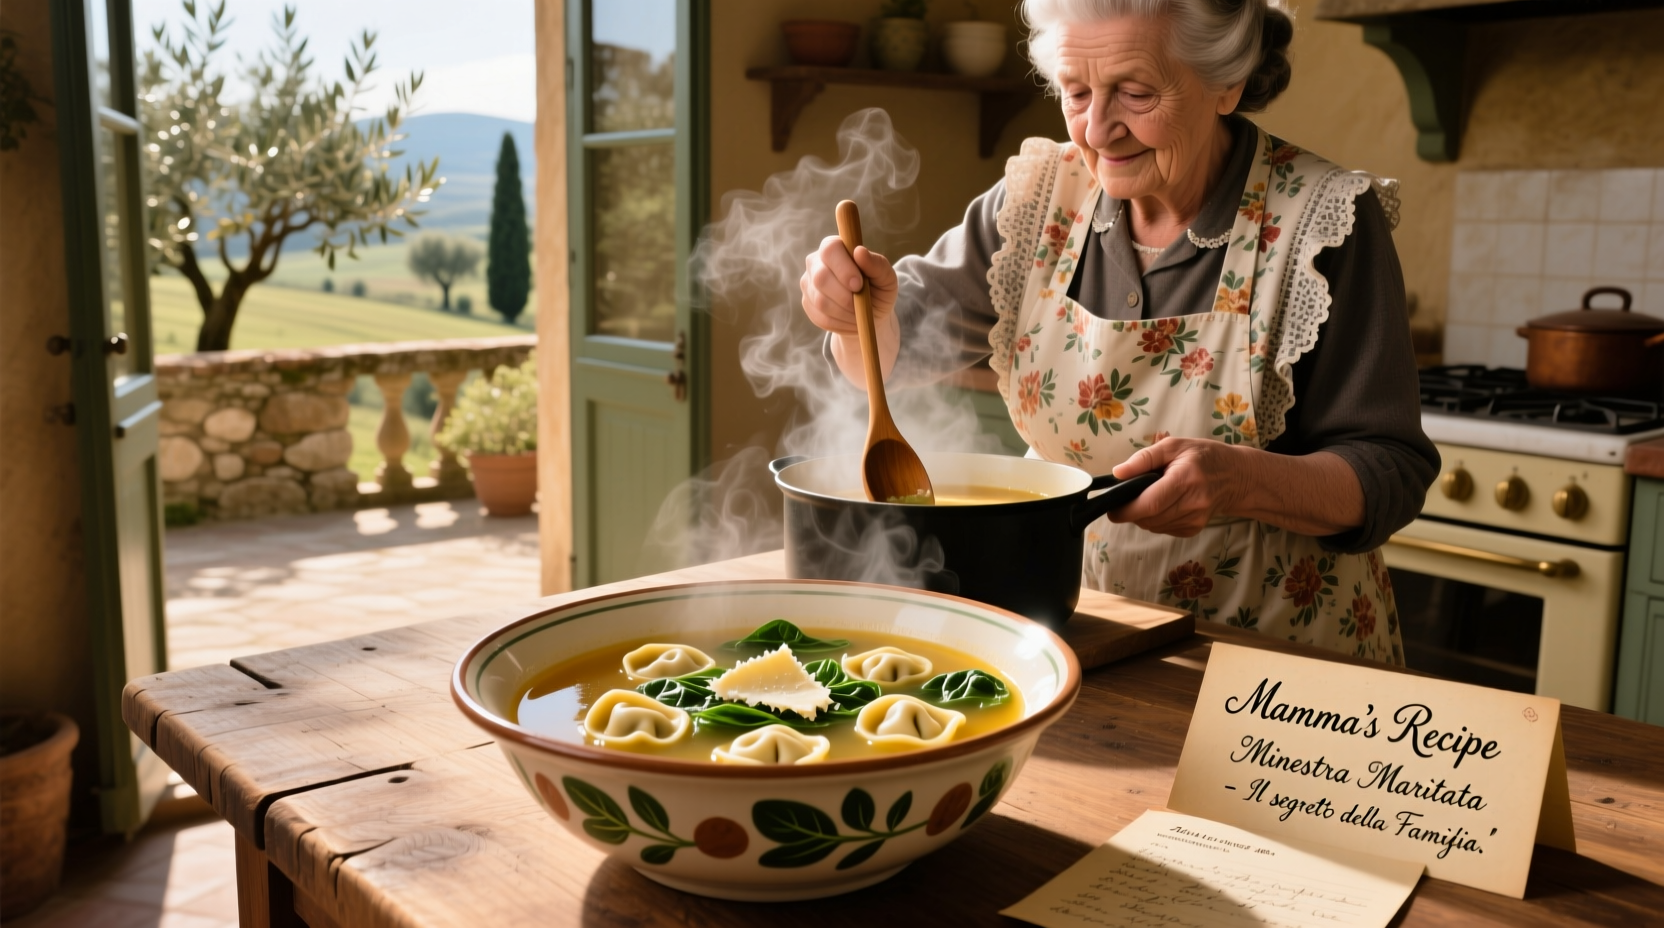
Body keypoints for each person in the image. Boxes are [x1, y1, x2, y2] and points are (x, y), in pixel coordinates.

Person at [799, 0, 1438, 662]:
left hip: (1272, 668)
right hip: (1076, 636)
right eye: (1076, 92)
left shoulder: (1326, 222)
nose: (1099, 130)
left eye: (1135, 93)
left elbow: (1390, 472)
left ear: (1228, 82)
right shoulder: (1035, 200)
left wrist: (1243, 482)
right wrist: (857, 321)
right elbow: (886, 357)